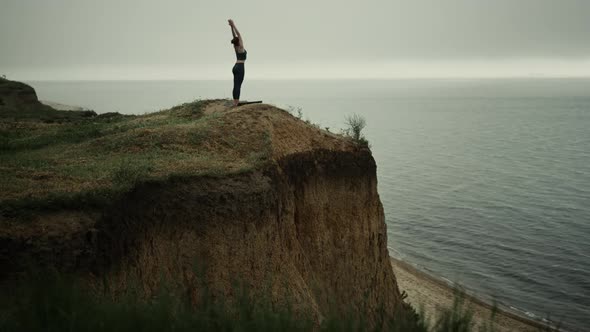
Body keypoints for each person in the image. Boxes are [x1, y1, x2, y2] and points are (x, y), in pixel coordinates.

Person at [229, 19, 246, 106]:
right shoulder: (241, 47)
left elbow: (234, 36)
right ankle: (236, 103)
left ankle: (235, 101)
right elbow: (238, 35)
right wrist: (234, 25)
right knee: (238, 85)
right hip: (240, 67)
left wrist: (231, 27)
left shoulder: (235, 47)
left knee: (235, 84)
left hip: (235, 67)